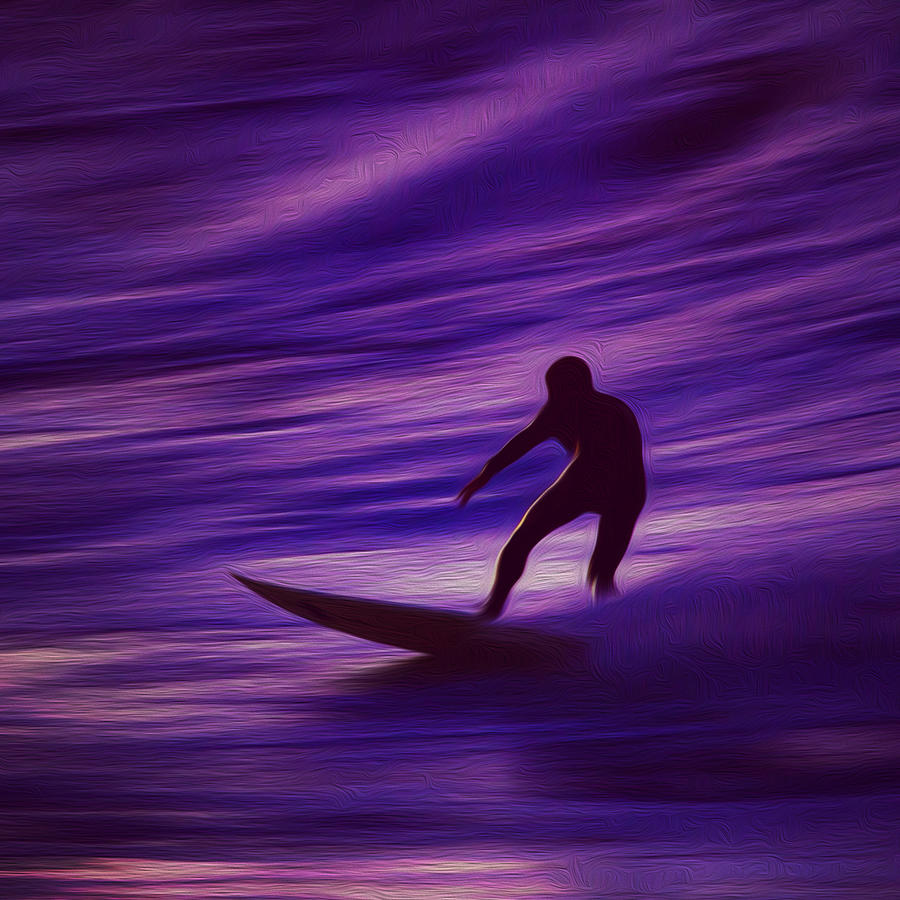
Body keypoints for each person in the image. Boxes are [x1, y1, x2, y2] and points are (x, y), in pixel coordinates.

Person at [457, 356, 646, 619]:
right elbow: (523, 442)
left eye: (566, 389)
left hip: (624, 491)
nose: (560, 396)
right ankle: (489, 614)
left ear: (582, 387)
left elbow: (619, 464)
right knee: (520, 540)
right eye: (555, 390)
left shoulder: (611, 411)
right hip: (581, 482)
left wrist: (585, 487)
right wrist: (487, 474)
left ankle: (612, 630)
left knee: (600, 574)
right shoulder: (557, 410)